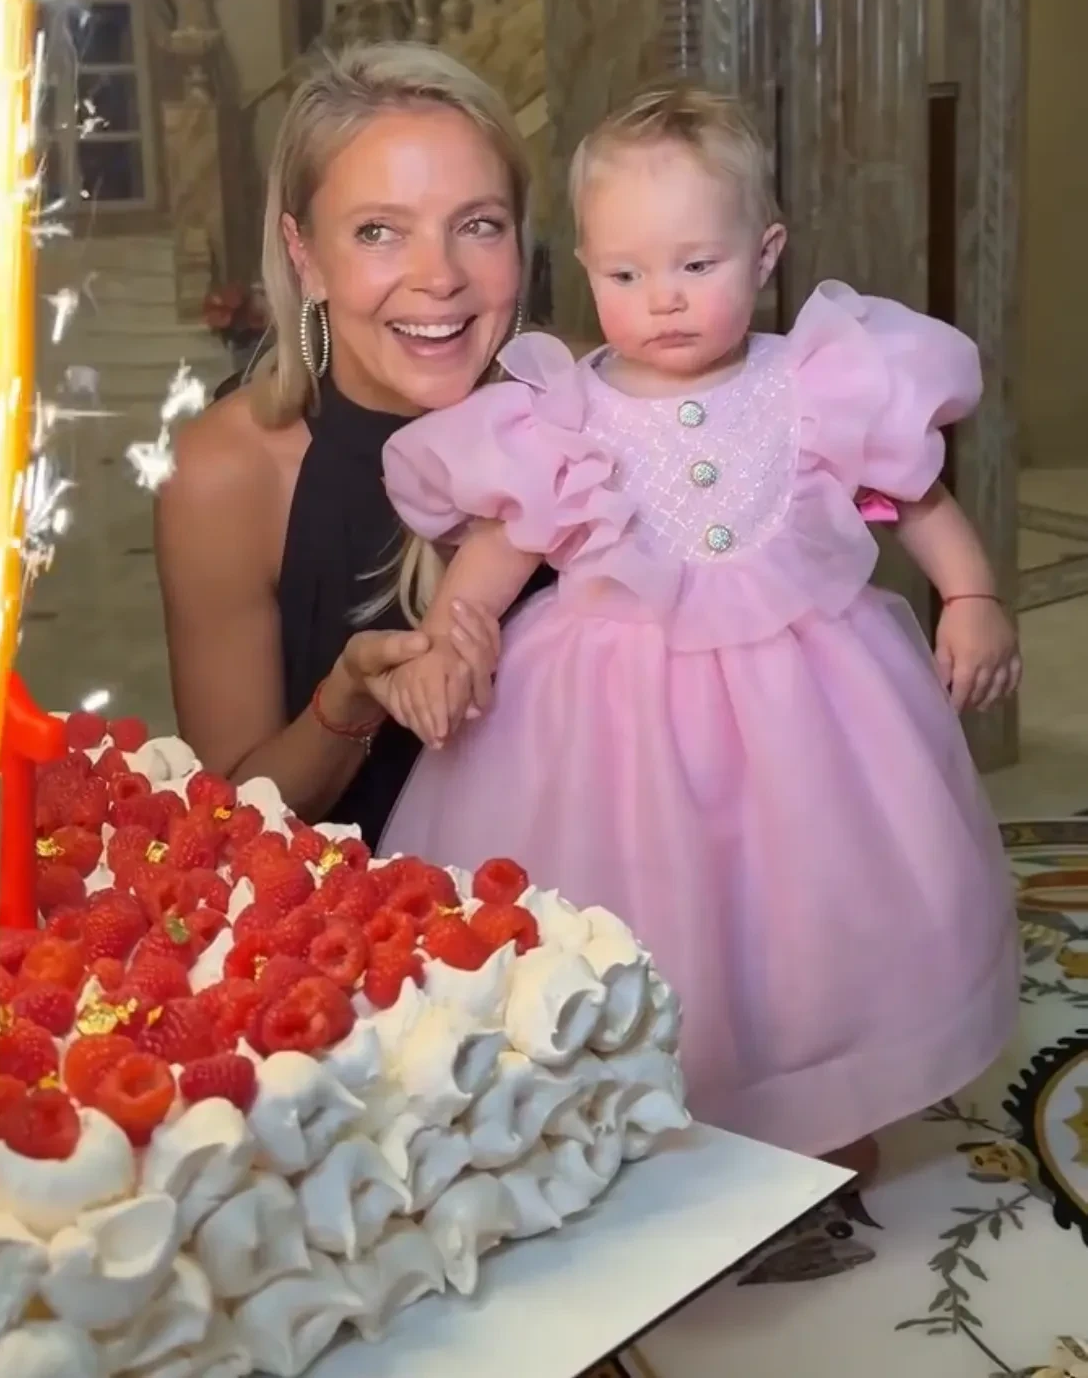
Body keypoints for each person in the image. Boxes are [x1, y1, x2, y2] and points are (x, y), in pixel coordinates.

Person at [376, 82, 1021, 1172]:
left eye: (695, 265)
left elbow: (911, 495)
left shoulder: (813, 382)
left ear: (764, 254)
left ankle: (826, 1098)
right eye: (625, 275)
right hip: (612, 722)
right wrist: (451, 635)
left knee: (808, 905)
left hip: (805, 708)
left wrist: (972, 596)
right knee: (639, 908)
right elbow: (500, 550)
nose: (662, 300)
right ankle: (643, 1107)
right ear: (585, 268)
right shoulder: (565, 413)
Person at [154, 40, 542, 847]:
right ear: (305, 257)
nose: (440, 276)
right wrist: (349, 701)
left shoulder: (594, 411)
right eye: (378, 232)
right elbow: (222, 830)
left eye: (478, 225)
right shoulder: (231, 475)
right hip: (368, 924)